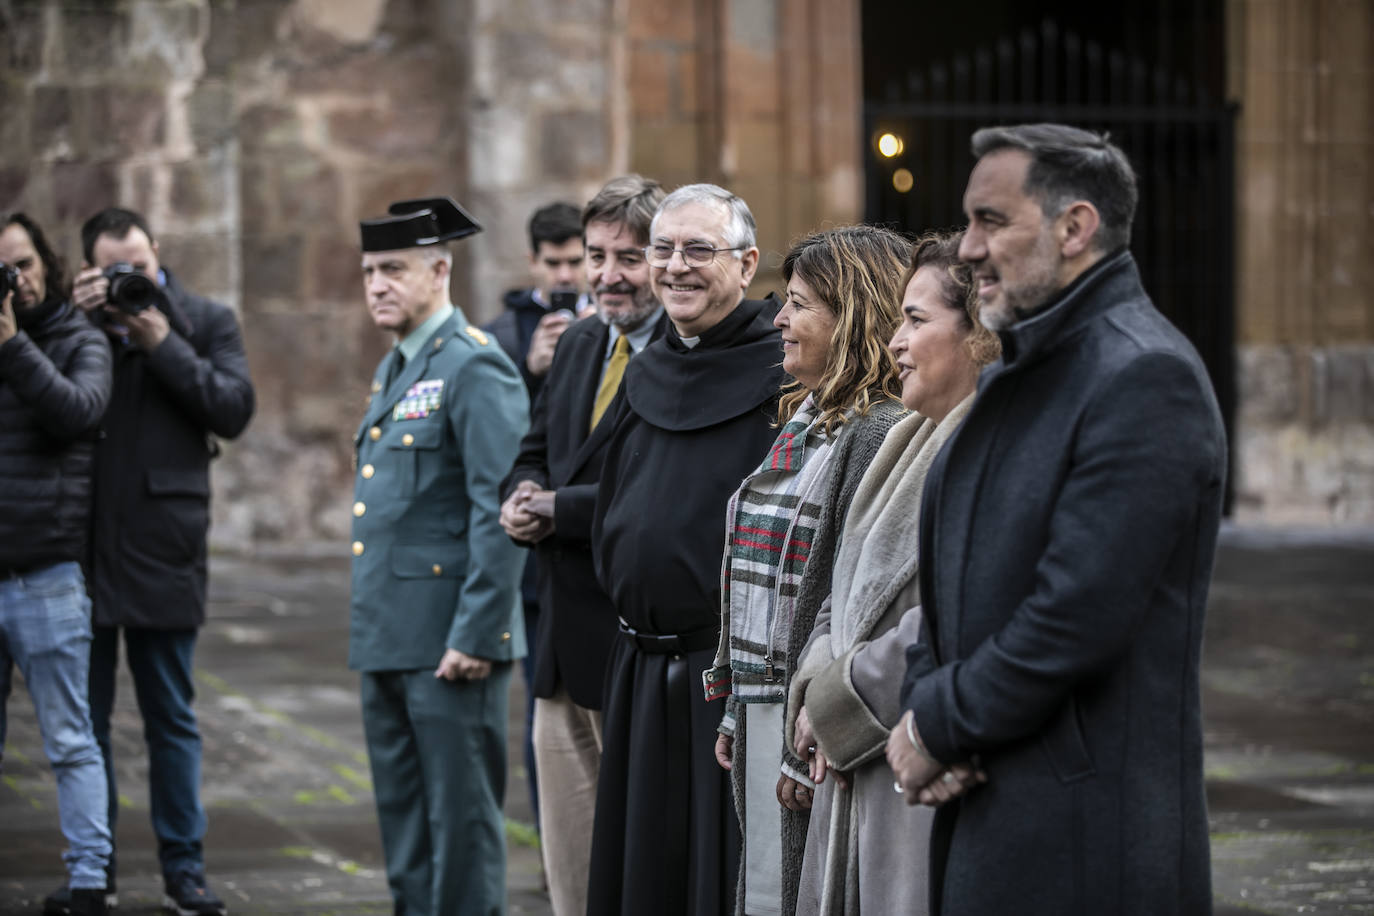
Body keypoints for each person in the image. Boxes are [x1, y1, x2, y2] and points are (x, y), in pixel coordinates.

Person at [887, 124, 1226, 915]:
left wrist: (936, 724)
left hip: (1087, 834)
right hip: (993, 802)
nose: (967, 248)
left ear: (1076, 228)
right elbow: (951, 578)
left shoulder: (1144, 375)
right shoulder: (1021, 369)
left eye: (991, 220)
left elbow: (1076, 616)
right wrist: (926, 703)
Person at [787, 230, 998, 916]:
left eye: (916, 321)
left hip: (910, 757)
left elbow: (960, 611)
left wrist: (835, 702)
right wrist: (818, 677)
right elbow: (838, 592)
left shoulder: (987, 447)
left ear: (979, 337)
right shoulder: (903, 435)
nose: (894, 343)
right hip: (849, 758)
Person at [586, 184, 782, 916]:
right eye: (660, 250)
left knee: (712, 872)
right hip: (637, 665)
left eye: (698, 249)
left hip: (720, 678)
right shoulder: (651, 361)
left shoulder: (782, 375)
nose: (674, 267)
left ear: (747, 262)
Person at [708, 225, 909, 916]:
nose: (780, 320)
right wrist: (739, 700)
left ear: (851, 315)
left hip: (815, 723)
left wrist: (809, 725)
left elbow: (850, 597)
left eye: (798, 305)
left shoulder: (878, 429)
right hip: (768, 708)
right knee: (767, 894)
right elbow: (758, 581)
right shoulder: (806, 418)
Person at [62, 207, 255, 916]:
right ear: (86, 271)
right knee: (85, 722)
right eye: (113, 270)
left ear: (157, 253)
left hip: (164, 548)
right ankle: (93, 869)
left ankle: (185, 869)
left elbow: (234, 408)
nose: (128, 280)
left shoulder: (203, 317)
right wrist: (80, 325)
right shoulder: (71, 325)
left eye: (138, 266)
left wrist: (162, 340)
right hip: (82, 549)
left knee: (170, 715)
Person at [350, 196, 529, 916]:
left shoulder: (474, 367)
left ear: (439, 270)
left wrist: (478, 633)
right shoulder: (397, 367)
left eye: (393, 269)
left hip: (452, 642)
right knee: (404, 822)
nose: (377, 285)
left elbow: (502, 511)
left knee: (461, 825)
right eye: (367, 272)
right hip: (389, 634)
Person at [499, 174, 667, 915]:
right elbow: (534, 449)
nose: (605, 275)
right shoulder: (581, 341)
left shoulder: (685, 355)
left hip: (634, 642)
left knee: (636, 868)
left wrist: (557, 510)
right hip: (559, 639)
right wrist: (518, 496)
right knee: (567, 862)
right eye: (597, 255)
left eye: (628, 257)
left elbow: (668, 497)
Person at [0, 212, 114, 916]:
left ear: (46, 263)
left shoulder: (81, 338)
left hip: (46, 576)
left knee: (71, 740)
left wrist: (12, 345)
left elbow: (79, 412)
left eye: (21, 264)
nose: (14, 280)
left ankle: (89, 882)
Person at [486, 200, 590, 834]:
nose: (566, 274)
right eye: (554, 262)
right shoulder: (502, 334)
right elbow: (504, 444)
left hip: (596, 534)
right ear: (533, 262)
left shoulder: (618, 323)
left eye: (576, 260)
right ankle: (554, 830)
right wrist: (533, 374)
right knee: (541, 696)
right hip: (537, 549)